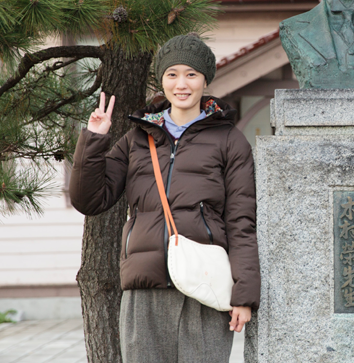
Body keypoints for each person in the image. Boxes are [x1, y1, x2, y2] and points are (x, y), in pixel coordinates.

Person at [69, 33, 258, 363]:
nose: (181, 84)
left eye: (191, 74)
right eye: (172, 74)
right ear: (162, 81)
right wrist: (94, 140)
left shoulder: (230, 141)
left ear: (205, 80)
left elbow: (241, 222)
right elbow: (91, 200)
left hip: (204, 287)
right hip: (145, 289)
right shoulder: (136, 139)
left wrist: (244, 296)